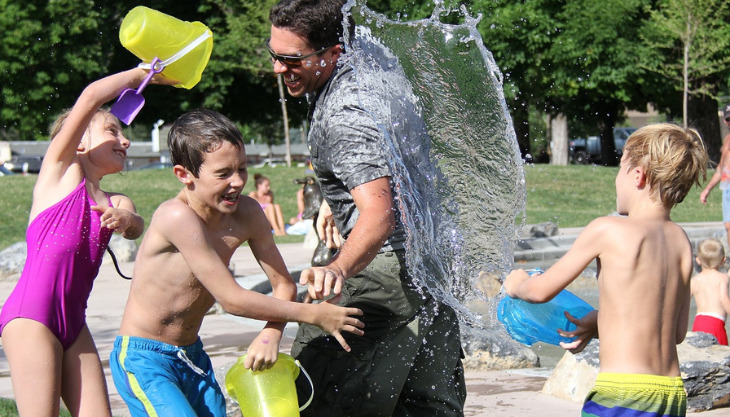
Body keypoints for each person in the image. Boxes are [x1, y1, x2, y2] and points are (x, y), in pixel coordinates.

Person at [269, 1, 466, 416]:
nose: (278, 69)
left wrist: (338, 268)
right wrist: (332, 197)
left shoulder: (344, 114)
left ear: (333, 54)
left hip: (381, 273)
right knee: (428, 406)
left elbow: (378, 214)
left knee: (320, 395)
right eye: (274, 55)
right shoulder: (377, 64)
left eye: (291, 60)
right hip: (433, 263)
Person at [109, 109, 364, 417]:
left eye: (242, 168)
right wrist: (313, 314)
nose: (238, 181)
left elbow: (283, 284)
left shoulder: (249, 214)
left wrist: (272, 332)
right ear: (183, 174)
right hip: (144, 358)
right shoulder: (176, 217)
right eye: (223, 173)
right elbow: (230, 299)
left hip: (191, 354)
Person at [504, 123, 708, 417]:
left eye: (619, 168)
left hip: (621, 396)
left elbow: (539, 291)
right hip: (671, 396)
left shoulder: (607, 229)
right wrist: (602, 321)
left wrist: (516, 283)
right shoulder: (680, 241)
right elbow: (675, 332)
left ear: (638, 175)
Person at [0, 68, 165, 417]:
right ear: (78, 142)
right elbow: (91, 96)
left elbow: (136, 226)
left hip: (74, 324)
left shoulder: (115, 200)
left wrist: (127, 221)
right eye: (112, 131)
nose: (125, 140)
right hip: (31, 318)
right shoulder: (59, 174)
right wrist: (142, 74)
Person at [699, 104, 730, 248]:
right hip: (727, 187)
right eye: (729, 119)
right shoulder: (727, 140)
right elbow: (720, 169)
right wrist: (707, 190)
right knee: (728, 226)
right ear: (725, 121)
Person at [690, 238, 730, 345]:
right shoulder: (722, 278)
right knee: (721, 357)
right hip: (715, 323)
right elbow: (723, 299)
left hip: (698, 323)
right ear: (723, 260)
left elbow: (682, 300)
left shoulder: (694, 281)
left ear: (698, 260)